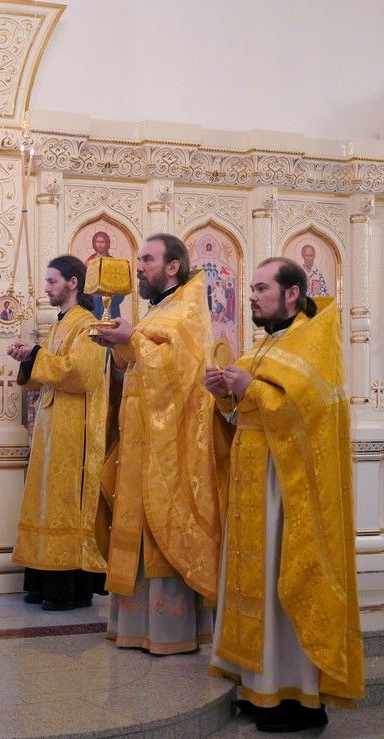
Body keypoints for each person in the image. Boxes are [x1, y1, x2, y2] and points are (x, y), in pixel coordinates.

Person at [202, 256, 364, 732]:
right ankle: (260, 688)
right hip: (253, 482)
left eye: (261, 288)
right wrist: (224, 394)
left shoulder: (314, 342)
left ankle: (297, 699)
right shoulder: (263, 344)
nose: (251, 297)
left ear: (292, 294)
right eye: (252, 288)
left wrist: (252, 389)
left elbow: (312, 415)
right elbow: (242, 414)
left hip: (287, 488)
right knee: (257, 583)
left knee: (284, 581)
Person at [89, 234, 223, 655]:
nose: (139, 267)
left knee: (162, 521)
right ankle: (135, 626)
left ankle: (170, 632)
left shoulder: (187, 308)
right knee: (136, 521)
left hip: (168, 444)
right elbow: (140, 363)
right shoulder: (159, 308)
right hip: (139, 439)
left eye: (147, 259)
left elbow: (178, 369)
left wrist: (132, 340)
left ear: (172, 266)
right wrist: (121, 345)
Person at [7, 255, 108, 610]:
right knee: (47, 500)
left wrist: (36, 354)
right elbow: (48, 371)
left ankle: (69, 589)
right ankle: (42, 578)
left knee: (66, 503)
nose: (47, 288)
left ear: (72, 283)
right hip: (52, 425)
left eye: (52, 281)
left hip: (76, 428)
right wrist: (29, 357)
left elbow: (81, 374)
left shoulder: (88, 324)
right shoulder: (60, 324)